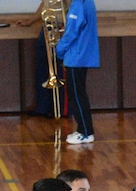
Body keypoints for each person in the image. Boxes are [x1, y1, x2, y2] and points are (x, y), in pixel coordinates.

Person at [55, 0, 98, 144]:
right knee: (78, 94)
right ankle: (83, 129)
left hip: (76, 57)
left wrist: (59, 49)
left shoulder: (78, 5)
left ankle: (85, 132)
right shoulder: (87, 2)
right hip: (81, 56)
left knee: (77, 96)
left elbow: (71, 33)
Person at [16, 1, 67, 118]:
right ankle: (42, 107)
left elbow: (73, 7)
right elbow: (45, 5)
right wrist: (29, 22)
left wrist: (67, 26)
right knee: (42, 68)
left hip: (60, 27)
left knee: (57, 70)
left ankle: (58, 108)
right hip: (47, 26)